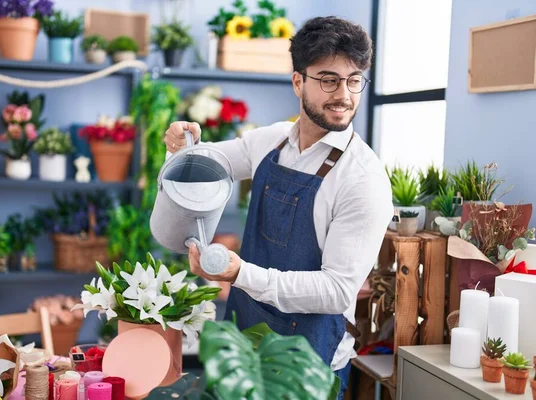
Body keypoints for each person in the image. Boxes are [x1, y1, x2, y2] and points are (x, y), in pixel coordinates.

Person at [164, 16, 393, 399]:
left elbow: (337, 291)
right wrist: (180, 142)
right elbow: (201, 168)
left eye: (354, 80)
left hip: (307, 365)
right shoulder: (270, 142)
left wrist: (241, 275)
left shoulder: (363, 179)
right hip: (243, 348)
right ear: (298, 82)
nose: (345, 95)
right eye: (328, 79)